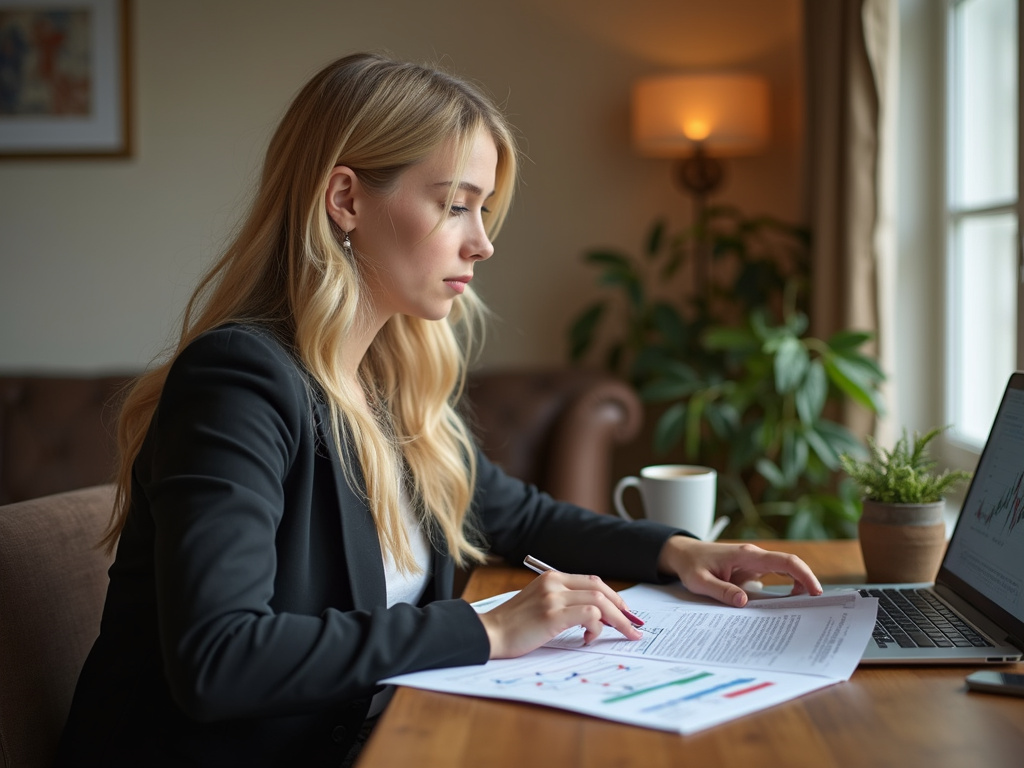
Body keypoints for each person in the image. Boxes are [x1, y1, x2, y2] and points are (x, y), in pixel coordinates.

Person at [56, 52, 822, 767]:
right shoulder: (239, 382)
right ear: (346, 198)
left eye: (483, 210)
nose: (482, 244)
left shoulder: (387, 379)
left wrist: (677, 553)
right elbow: (219, 657)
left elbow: (514, 515)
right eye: (456, 205)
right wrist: (488, 628)